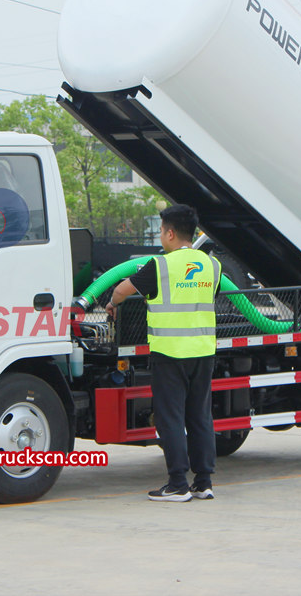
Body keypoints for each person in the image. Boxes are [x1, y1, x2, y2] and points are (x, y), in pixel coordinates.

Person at [105, 204, 221, 502]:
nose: (160, 237)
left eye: (160, 231)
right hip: (204, 352)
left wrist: (111, 304)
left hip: (170, 354)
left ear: (170, 233)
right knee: (200, 416)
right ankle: (203, 482)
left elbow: (121, 291)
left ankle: (178, 484)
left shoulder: (160, 266)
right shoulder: (213, 266)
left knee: (170, 418)